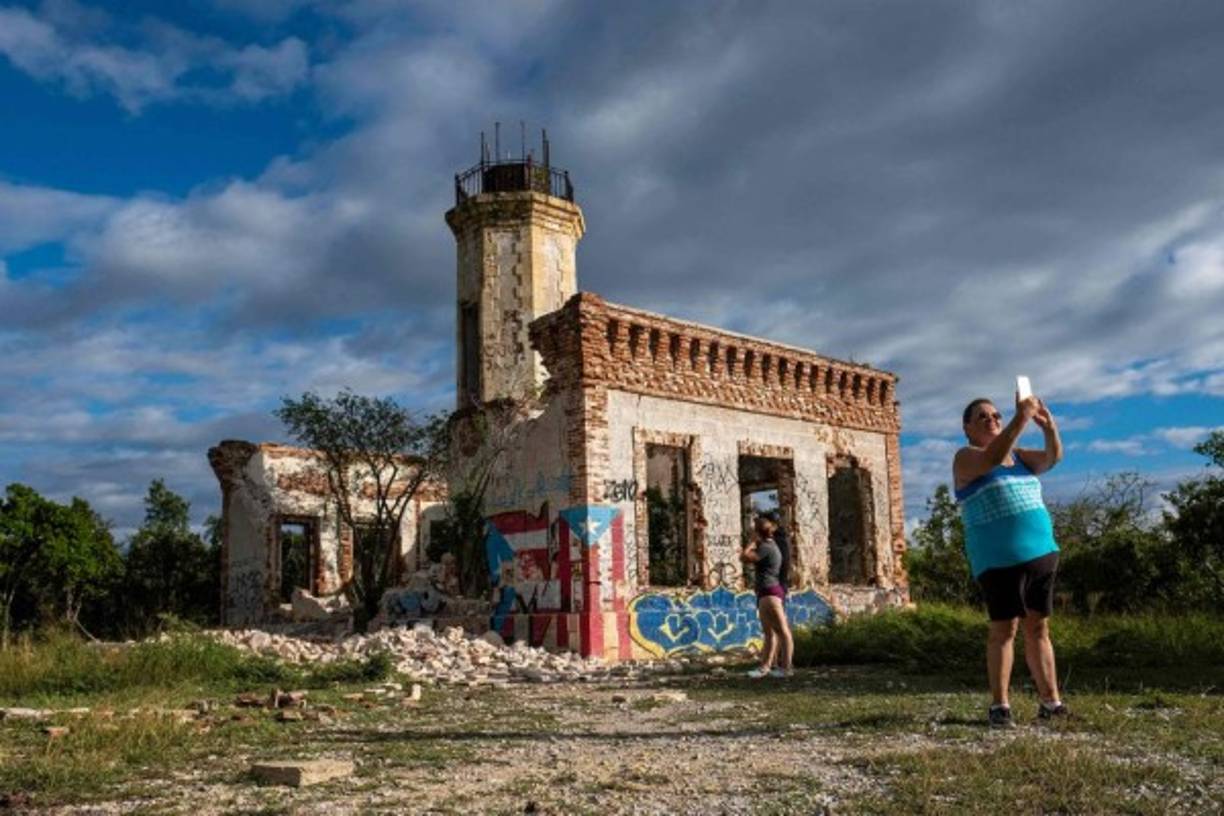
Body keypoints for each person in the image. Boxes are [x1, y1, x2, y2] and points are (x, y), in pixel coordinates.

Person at [953, 391, 1069, 728]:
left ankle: (1051, 702)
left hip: (1041, 554)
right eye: (983, 418)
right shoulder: (966, 458)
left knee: (1039, 627)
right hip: (998, 560)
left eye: (996, 416)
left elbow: (1052, 458)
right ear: (967, 428)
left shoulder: (1018, 457)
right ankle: (1000, 706)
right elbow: (991, 458)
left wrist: (1049, 427)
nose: (992, 420)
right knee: (1004, 630)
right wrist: (1021, 417)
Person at [741, 516, 794, 678]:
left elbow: (744, 557)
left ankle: (786, 668)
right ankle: (765, 667)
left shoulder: (766, 547)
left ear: (757, 532)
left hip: (771, 592)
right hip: (766, 592)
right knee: (769, 632)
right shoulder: (769, 545)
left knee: (783, 631)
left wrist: (751, 542)